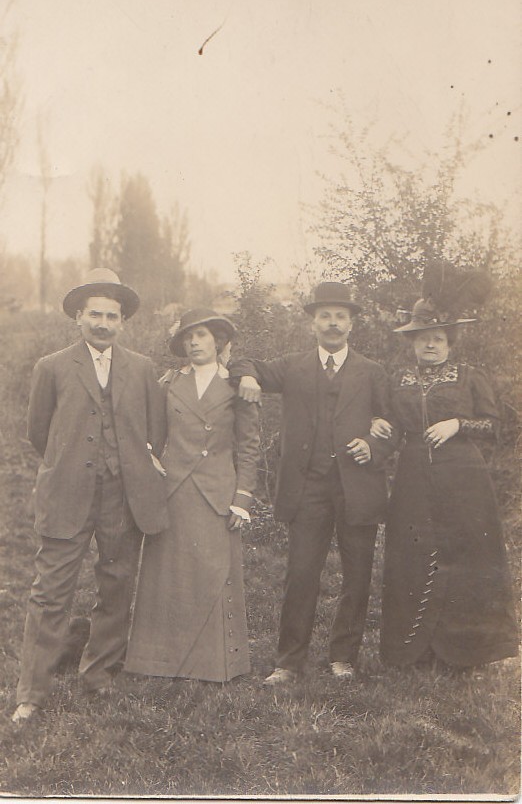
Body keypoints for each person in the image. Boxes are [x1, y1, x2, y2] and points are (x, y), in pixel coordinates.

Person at [11, 269, 169, 723]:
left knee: (116, 584)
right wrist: (70, 465)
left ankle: (98, 672)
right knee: (50, 591)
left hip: (123, 494)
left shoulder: (141, 368)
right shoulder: (53, 366)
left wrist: (129, 467)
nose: (103, 323)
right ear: (78, 317)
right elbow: (38, 432)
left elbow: (154, 431)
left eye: (112, 316)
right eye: (94, 314)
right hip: (67, 494)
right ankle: (32, 692)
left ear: (123, 322)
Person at [230, 282, 395, 684]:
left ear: (352, 324)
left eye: (341, 316)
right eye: (325, 316)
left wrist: (372, 444)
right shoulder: (293, 366)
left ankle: (344, 657)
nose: (333, 323)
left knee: (357, 575)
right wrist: (248, 376)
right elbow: (241, 363)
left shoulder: (372, 371)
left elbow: (393, 429)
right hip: (307, 489)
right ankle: (288, 661)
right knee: (301, 573)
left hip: (357, 488)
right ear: (313, 323)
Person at [372, 264, 518, 669]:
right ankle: (415, 650)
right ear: (412, 343)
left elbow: (497, 426)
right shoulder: (397, 379)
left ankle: (475, 650)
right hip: (414, 477)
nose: (430, 345)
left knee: (469, 551)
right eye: (423, 340)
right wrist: (378, 426)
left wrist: (458, 424)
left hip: (464, 477)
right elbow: (391, 426)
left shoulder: (471, 377)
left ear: (449, 341)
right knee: (412, 554)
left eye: (437, 339)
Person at [125, 308, 260, 683]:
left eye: (201, 336)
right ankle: (158, 662)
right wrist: (152, 462)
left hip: (218, 494)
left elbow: (249, 448)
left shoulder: (237, 385)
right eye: (188, 338)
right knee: (168, 576)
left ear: (217, 341)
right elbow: (151, 435)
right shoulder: (169, 383)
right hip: (175, 490)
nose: (195, 343)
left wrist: (243, 498)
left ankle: (213, 664)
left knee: (213, 574)